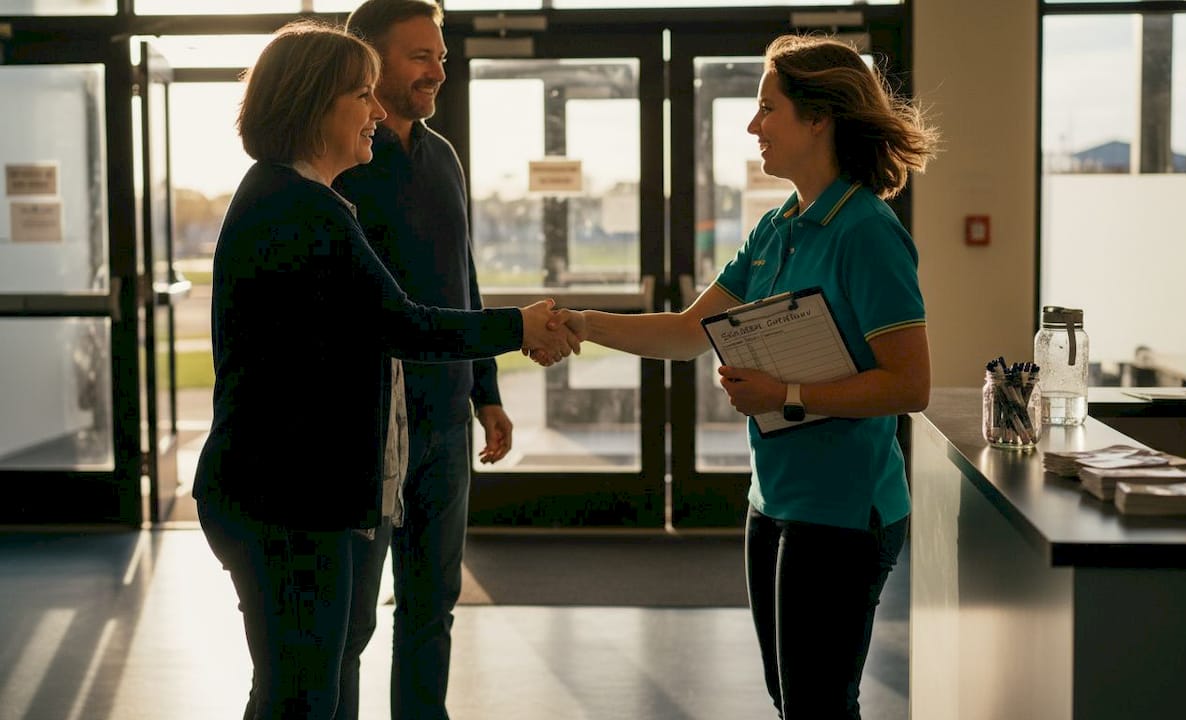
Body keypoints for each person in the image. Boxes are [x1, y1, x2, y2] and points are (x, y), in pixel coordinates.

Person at [193, 20, 577, 720]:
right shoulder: (300, 208)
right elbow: (401, 324)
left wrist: (486, 380)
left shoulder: (294, 195)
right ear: (314, 103)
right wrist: (520, 326)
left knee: (306, 683)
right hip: (287, 495)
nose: (375, 110)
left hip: (290, 490)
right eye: (361, 94)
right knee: (302, 693)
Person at [551, 34, 938, 719]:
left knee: (818, 706)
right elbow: (686, 332)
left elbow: (909, 385)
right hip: (773, 501)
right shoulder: (775, 227)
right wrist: (581, 322)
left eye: (767, 108)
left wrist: (785, 395)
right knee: (791, 699)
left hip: (845, 512)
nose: (753, 125)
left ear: (817, 118)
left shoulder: (866, 232)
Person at [332, 3, 514, 718]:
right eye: (421, 56)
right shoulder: (342, 162)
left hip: (445, 424)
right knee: (350, 624)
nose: (438, 70)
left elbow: (462, 276)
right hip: (366, 426)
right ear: (370, 61)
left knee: (432, 607)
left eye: (441, 56)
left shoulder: (443, 157)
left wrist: (485, 391)